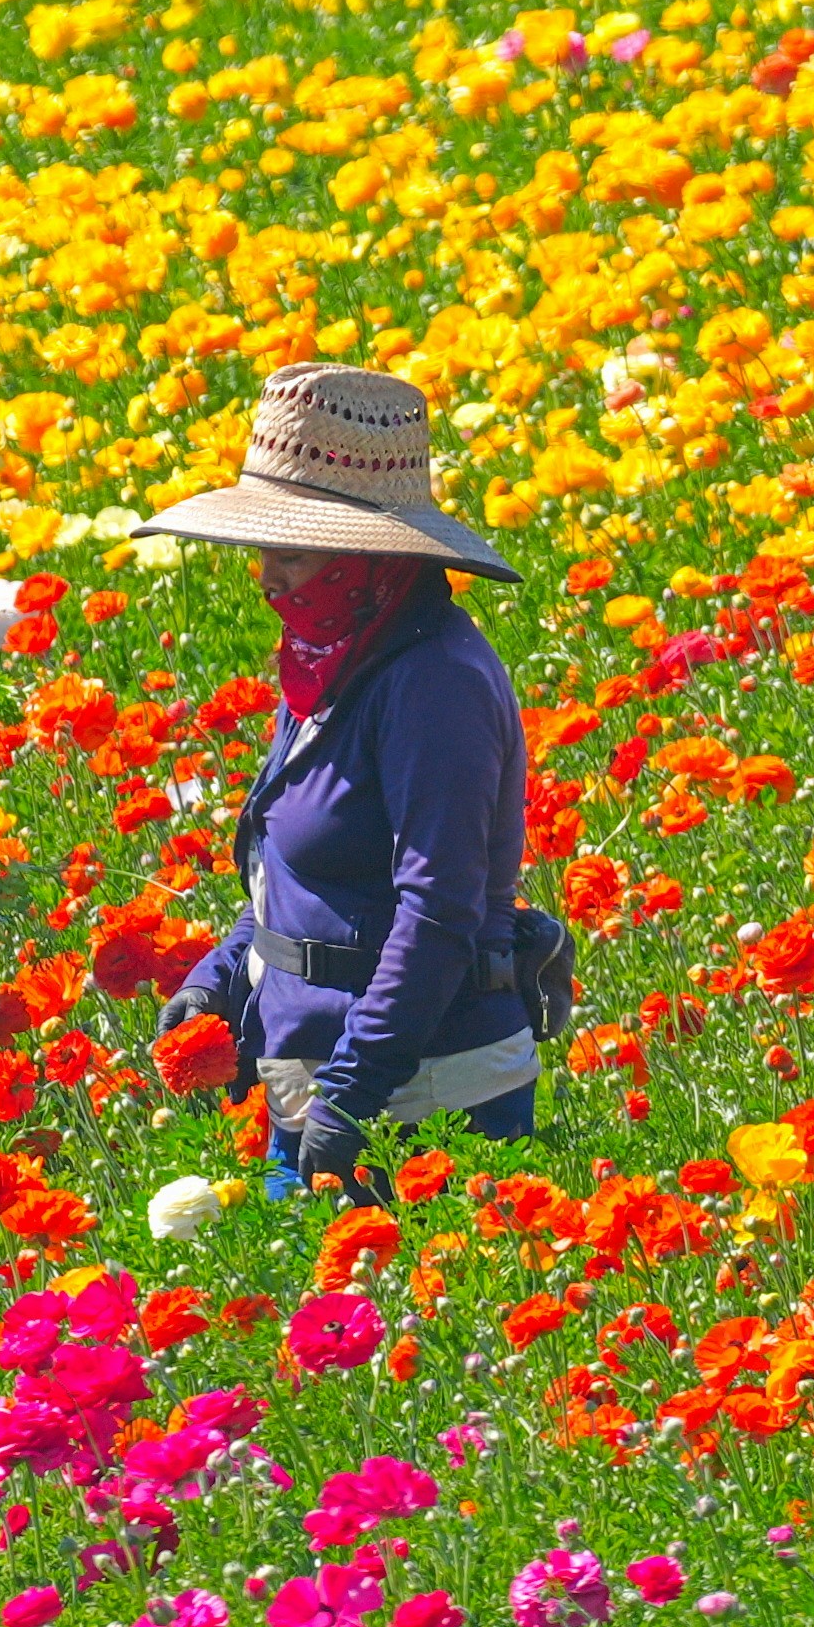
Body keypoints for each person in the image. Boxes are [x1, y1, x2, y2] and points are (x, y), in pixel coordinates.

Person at [143, 361, 552, 1194]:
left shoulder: (434, 680)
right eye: (262, 549)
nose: (267, 577)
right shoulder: (333, 656)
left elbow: (438, 912)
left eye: (290, 552)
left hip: (422, 1101)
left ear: (365, 554)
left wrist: (352, 1092)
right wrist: (217, 980)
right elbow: (297, 881)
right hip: (320, 1087)